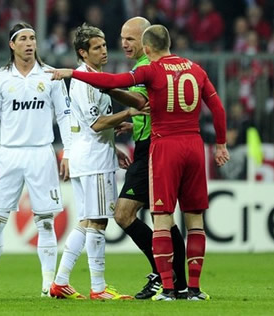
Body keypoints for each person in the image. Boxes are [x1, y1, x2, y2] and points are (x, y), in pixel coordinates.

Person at [47, 24, 230, 301]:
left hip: (162, 146)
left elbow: (115, 84)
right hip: (193, 145)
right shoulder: (195, 68)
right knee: (194, 221)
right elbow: (217, 107)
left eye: (127, 40)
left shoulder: (149, 69)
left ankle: (167, 285)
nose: (118, 46)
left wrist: (73, 74)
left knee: (159, 218)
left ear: (147, 47)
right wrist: (221, 143)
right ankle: (191, 288)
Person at [0, 22, 71, 298]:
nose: (29, 43)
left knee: (45, 221)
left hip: (41, 153)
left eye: (33, 38)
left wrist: (68, 152)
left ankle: (49, 285)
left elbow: (65, 116)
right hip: (9, 154)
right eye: (23, 38)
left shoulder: (51, 76)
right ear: (12, 45)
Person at [48, 23, 146, 300]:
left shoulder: (93, 77)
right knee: (99, 222)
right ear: (83, 52)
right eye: (97, 47)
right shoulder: (85, 81)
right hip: (94, 160)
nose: (104, 50)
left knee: (86, 221)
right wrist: (128, 112)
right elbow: (95, 123)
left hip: (90, 155)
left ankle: (60, 282)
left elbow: (89, 125)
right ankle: (99, 288)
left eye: (104, 45)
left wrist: (114, 148)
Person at [105, 16, 188, 300]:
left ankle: (161, 273)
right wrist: (134, 124)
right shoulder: (151, 66)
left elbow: (140, 102)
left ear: (146, 40)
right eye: (122, 37)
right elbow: (153, 108)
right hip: (149, 143)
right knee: (164, 217)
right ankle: (179, 282)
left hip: (152, 149)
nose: (124, 43)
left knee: (124, 213)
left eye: (131, 38)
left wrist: (108, 88)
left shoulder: (147, 67)